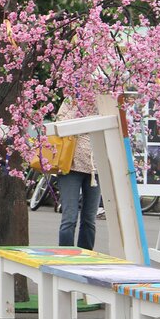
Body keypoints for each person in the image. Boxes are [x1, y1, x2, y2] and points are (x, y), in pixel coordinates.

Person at [55, 96, 101, 249]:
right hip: (71, 165)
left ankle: (86, 257)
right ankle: (66, 257)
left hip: (96, 168)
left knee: (89, 218)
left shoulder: (106, 100)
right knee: (69, 217)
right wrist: (78, 107)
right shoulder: (72, 97)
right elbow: (60, 121)